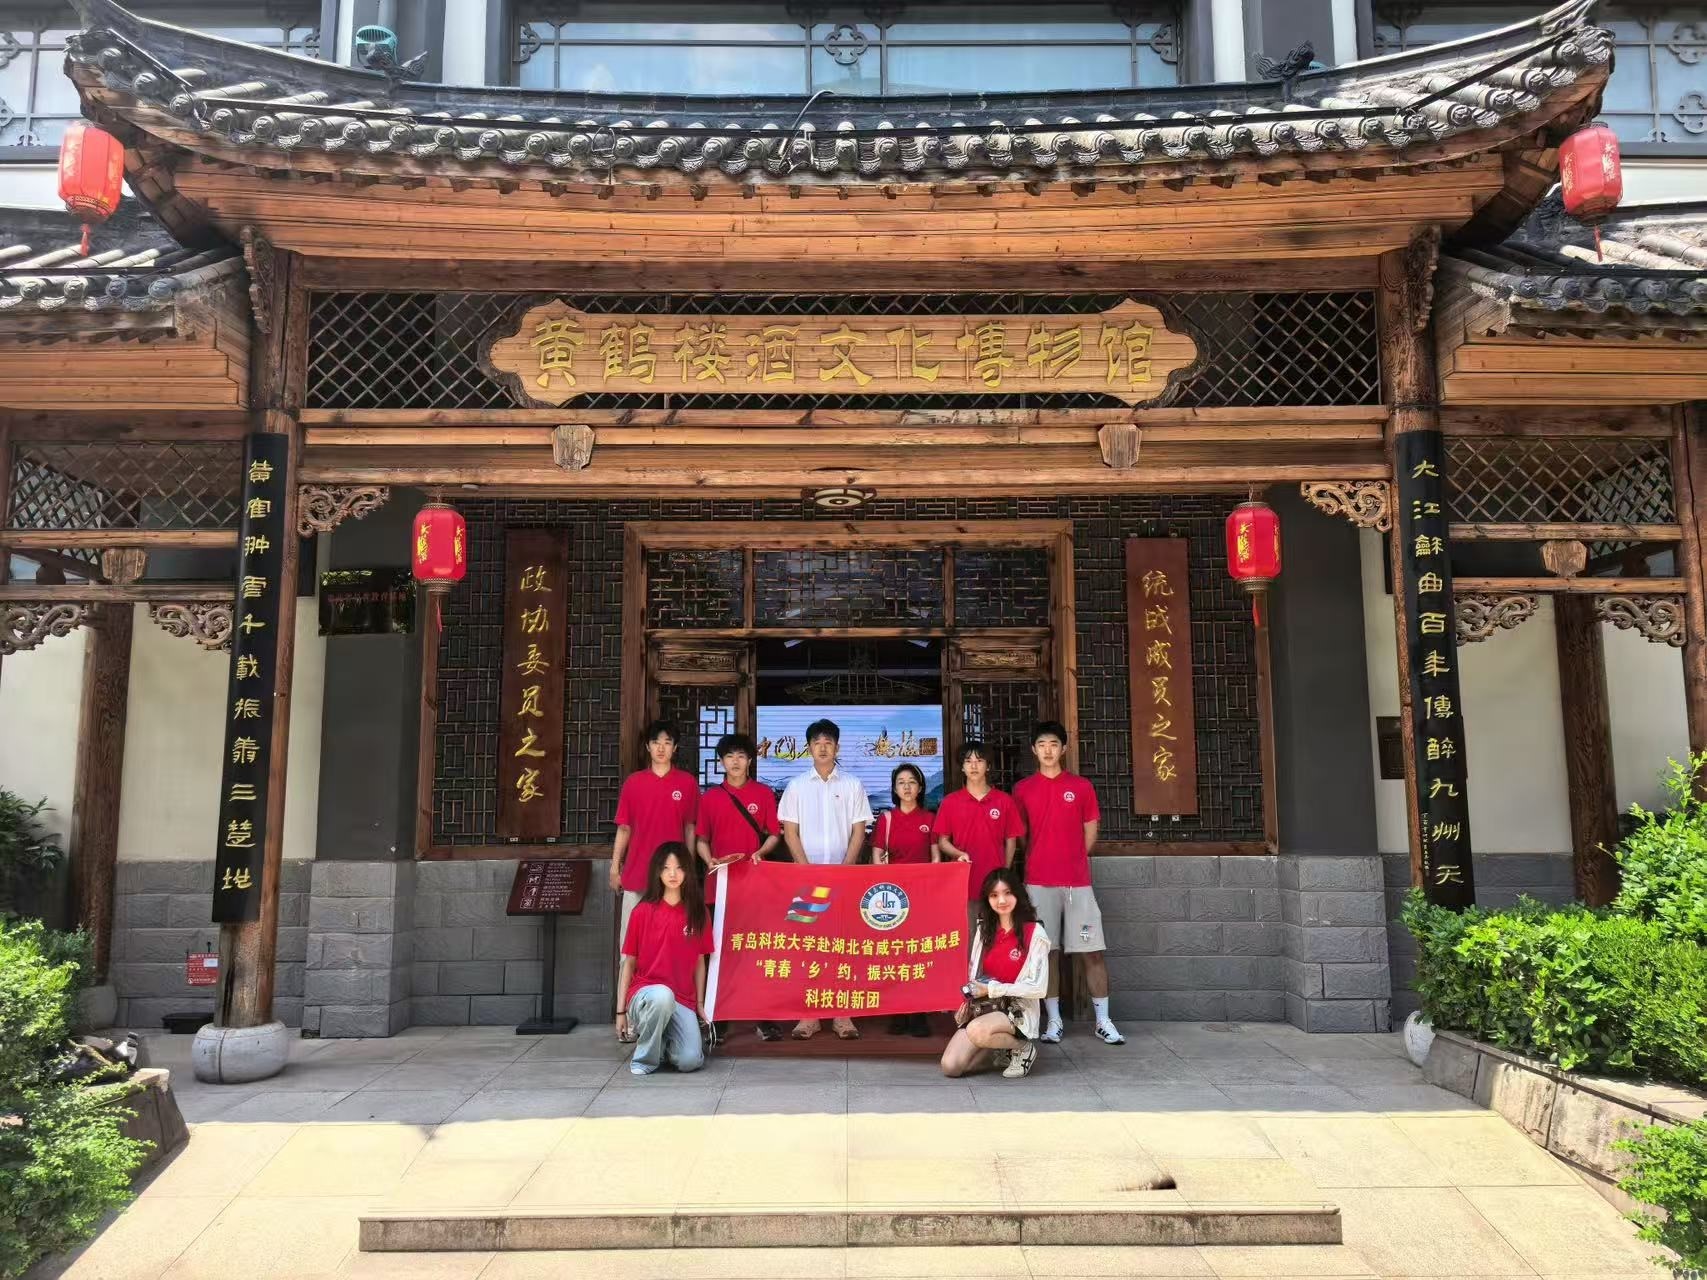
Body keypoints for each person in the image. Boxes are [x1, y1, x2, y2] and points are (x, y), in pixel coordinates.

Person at [1012, 720, 1125, 1046]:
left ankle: (1103, 1021)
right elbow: (1021, 836)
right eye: (1041, 744)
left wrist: (1074, 858)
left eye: (1053, 744)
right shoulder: (1023, 789)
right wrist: (1041, 857)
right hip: (1038, 882)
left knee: (1092, 951)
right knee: (1046, 953)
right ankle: (1054, 1021)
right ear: (1034, 750)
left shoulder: (1081, 786)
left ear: (1063, 748)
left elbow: (1091, 829)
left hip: (1078, 884)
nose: (1048, 750)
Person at [777, 718, 873, 1040]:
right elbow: (790, 832)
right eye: (816, 743)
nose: (822, 748)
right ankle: (810, 1015)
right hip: (807, 881)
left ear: (837, 747)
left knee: (843, 947)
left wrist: (846, 868)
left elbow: (859, 831)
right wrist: (806, 870)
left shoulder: (853, 785)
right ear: (808, 748)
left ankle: (842, 1015)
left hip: (844, 879)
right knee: (809, 947)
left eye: (828, 742)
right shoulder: (796, 786)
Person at [610, 720, 699, 1036]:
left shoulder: (687, 783)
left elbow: (690, 829)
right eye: (656, 742)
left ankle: (678, 1016)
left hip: (674, 880)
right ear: (647, 747)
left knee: (676, 950)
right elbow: (624, 828)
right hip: (638, 878)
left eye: (667, 742)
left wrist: (689, 869)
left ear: (675, 748)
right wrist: (615, 867)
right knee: (630, 951)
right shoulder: (634, 783)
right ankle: (628, 1019)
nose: (661, 748)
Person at [694, 731, 784, 1042]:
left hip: (754, 886)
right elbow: (701, 839)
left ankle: (763, 1017)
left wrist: (761, 852)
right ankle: (719, 1018)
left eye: (741, 756)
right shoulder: (710, 798)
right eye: (730, 756)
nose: (735, 761)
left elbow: (774, 834)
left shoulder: (763, 793)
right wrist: (708, 859)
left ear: (750, 760)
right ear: (721, 761)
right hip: (719, 886)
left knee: (757, 949)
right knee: (719, 952)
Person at [940, 867, 1049, 1080]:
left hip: (1017, 1010)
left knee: (977, 1031)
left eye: (1007, 893)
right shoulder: (985, 930)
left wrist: (992, 989)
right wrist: (965, 1005)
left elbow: (1039, 988)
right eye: (994, 895)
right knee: (951, 1067)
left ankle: (1022, 1048)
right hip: (986, 1008)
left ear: (1018, 894)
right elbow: (974, 975)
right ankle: (1001, 1048)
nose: (1001, 900)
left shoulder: (1034, 932)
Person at [615, 842, 712, 1076]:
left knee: (690, 1061)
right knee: (662, 996)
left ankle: (663, 1045)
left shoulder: (698, 913)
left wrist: (699, 1004)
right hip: (646, 995)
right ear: (657, 872)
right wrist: (620, 1012)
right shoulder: (642, 912)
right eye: (666, 868)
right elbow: (629, 964)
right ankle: (645, 1060)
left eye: (679, 868)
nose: (672, 874)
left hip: (682, 999)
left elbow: (700, 962)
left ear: (687, 872)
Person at [872, 762, 936, 1038]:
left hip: (922, 896)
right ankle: (897, 1010)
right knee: (895, 953)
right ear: (894, 789)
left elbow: (935, 857)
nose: (907, 786)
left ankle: (919, 1012)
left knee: (918, 953)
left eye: (912, 781)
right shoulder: (887, 819)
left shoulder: (930, 819)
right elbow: (877, 856)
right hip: (893, 899)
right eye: (901, 782)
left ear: (920, 787)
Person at [932, 740, 1025, 929]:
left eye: (979, 761)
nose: (973, 766)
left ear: (988, 766)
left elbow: (1011, 841)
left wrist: (1004, 873)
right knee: (968, 937)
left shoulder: (1004, 801)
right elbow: (943, 841)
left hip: (996, 885)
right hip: (963, 882)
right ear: (962, 767)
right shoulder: (950, 802)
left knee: (997, 935)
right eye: (968, 761)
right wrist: (959, 853)